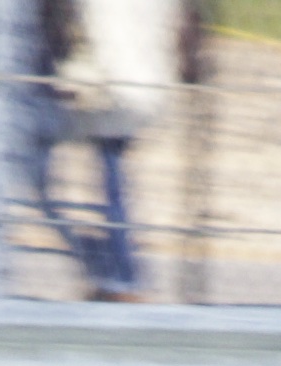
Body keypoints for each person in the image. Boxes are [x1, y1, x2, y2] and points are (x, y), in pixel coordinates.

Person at [23, 0, 197, 301]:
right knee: (109, 183)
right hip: (124, 88)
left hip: (116, 89)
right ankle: (116, 273)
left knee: (102, 181)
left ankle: (117, 275)